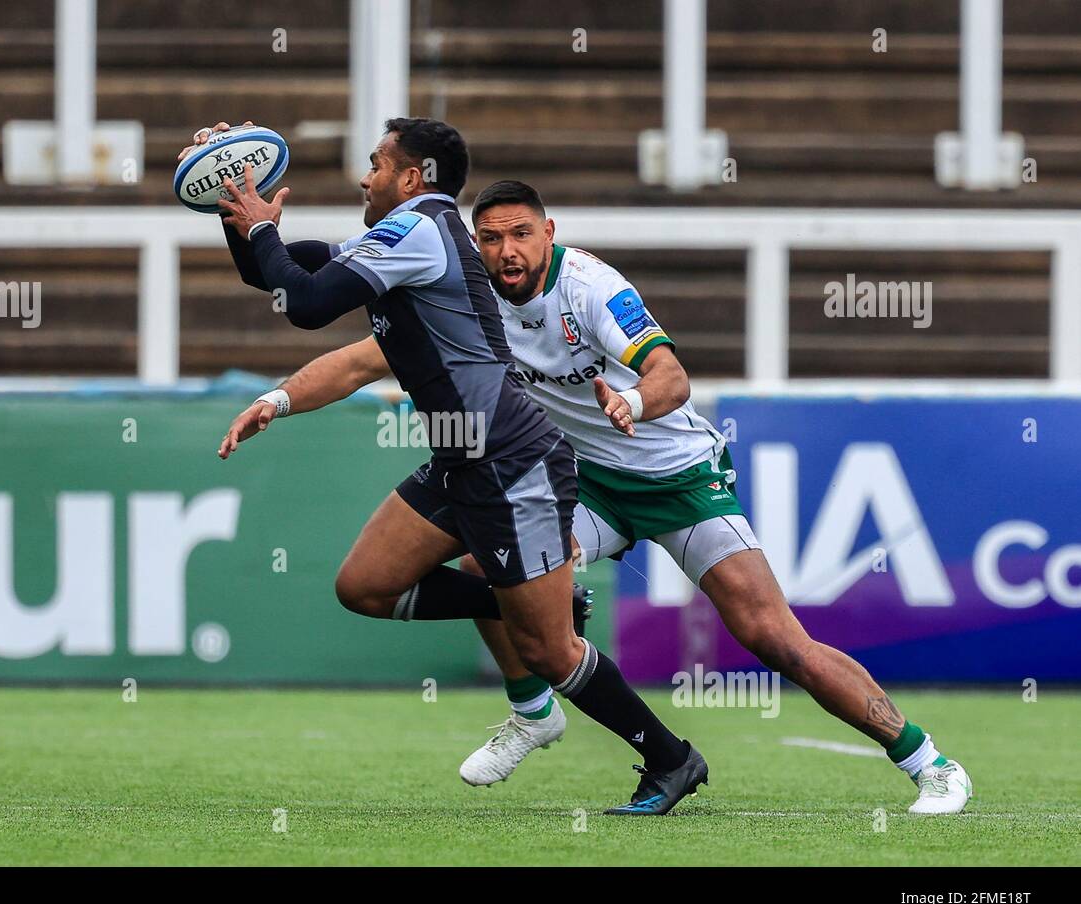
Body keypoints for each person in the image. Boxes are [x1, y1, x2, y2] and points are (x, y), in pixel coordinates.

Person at [217, 174, 973, 817]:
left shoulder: (590, 287)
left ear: (549, 233)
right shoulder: (468, 294)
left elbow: (672, 376)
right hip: (581, 478)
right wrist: (279, 399)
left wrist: (635, 405)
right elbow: (357, 360)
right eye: (491, 238)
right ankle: (532, 709)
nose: (506, 251)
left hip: (677, 479)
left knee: (772, 638)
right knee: (489, 566)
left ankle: (929, 762)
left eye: (521, 234)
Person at [192, 120, 707, 814]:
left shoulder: (420, 232)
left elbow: (309, 305)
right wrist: (236, 205)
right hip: (461, 458)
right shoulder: (399, 237)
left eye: (376, 163)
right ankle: (517, 602)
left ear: (413, 177)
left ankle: (670, 758)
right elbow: (276, 276)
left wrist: (261, 229)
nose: (364, 176)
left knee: (552, 652)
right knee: (366, 586)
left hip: (510, 459)